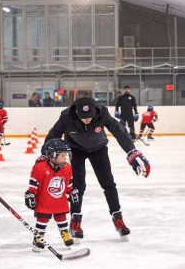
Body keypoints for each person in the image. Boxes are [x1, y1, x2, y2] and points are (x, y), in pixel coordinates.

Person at [41, 97, 151, 239]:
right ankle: (75, 221)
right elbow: (53, 135)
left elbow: (118, 130)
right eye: (84, 117)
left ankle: (118, 218)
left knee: (108, 184)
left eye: (90, 116)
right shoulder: (66, 117)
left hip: (98, 148)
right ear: (76, 112)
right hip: (76, 150)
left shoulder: (102, 113)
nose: (87, 120)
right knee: (77, 186)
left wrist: (132, 152)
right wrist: (46, 156)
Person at [25, 139, 79, 252]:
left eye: (66, 156)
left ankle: (64, 233)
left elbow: (68, 183)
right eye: (62, 156)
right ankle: (38, 237)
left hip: (60, 199)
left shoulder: (67, 167)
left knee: (61, 216)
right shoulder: (39, 168)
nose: (65, 158)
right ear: (52, 155)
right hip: (44, 200)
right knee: (42, 219)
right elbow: (33, 185)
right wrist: (30, 194)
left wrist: (72, 191)